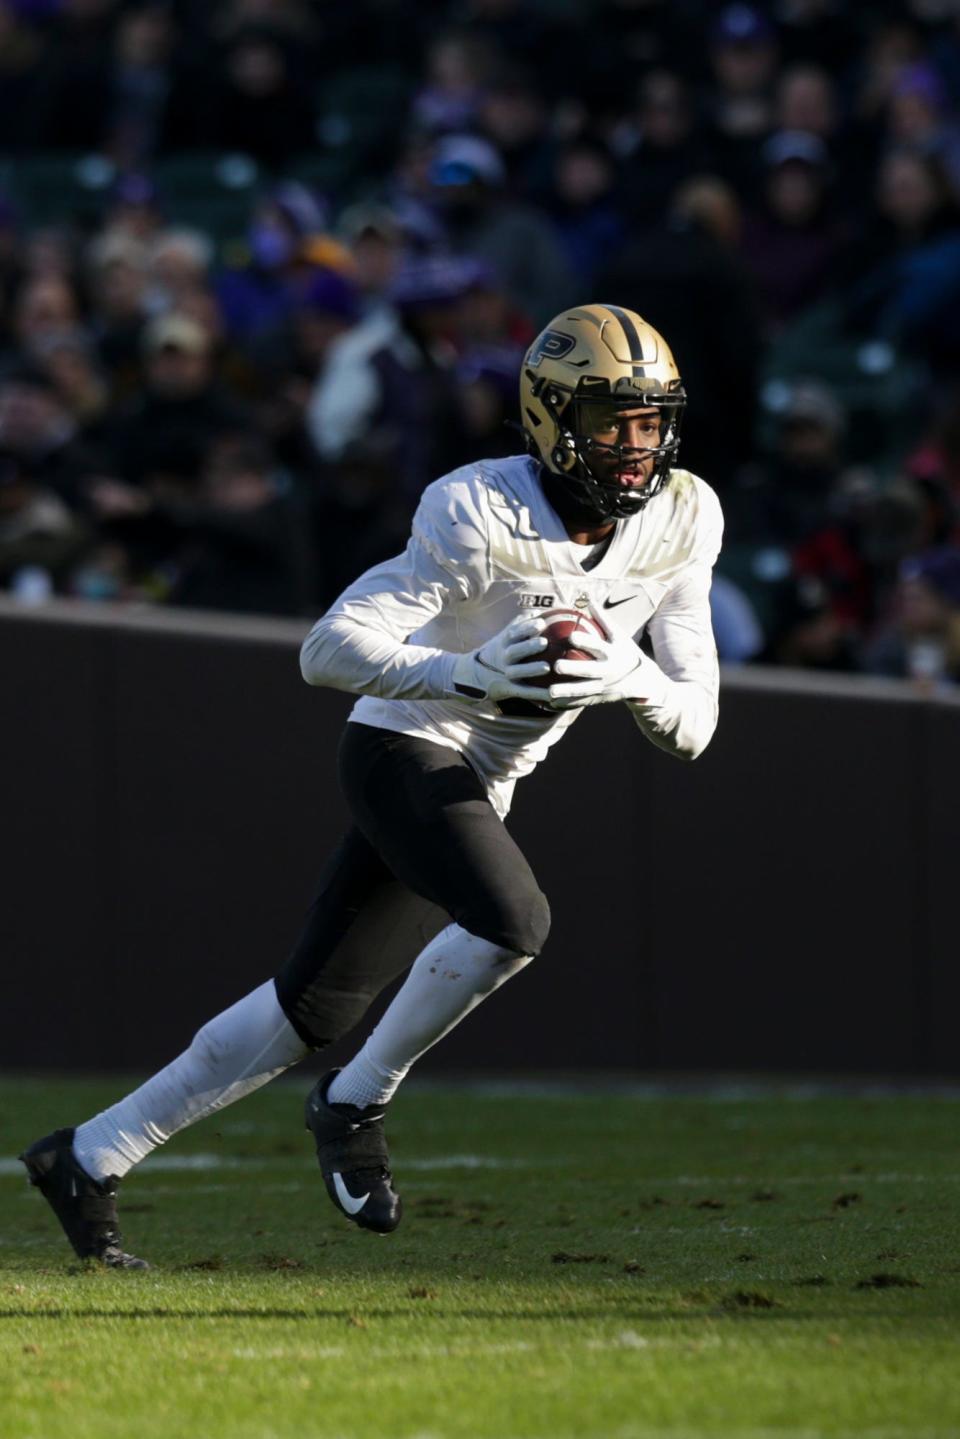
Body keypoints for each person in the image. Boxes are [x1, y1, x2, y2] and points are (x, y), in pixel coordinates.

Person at [20, 303, 723, 1268]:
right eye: (613, 419)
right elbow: (327, 649)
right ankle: (356, 1101)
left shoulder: (687, 516)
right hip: (404, 745)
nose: (638, 444)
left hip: (488, 778)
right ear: (553, 418)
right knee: (514, 920)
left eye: (651, 420)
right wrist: (468, 673)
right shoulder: (478, 508)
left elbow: (693, 725)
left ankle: (89, 1156)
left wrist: (628, 674)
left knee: (305, 1012)